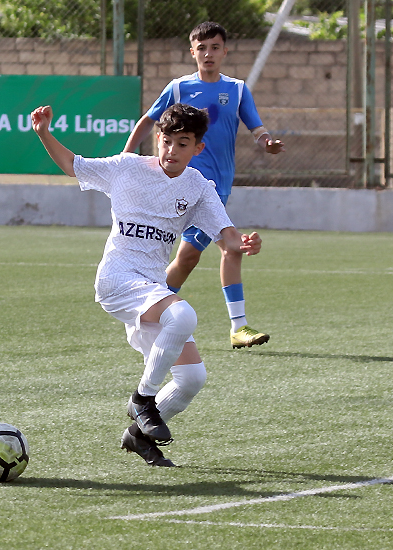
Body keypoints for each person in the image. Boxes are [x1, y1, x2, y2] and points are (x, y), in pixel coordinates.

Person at [32, 102, 262, 467]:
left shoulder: (198, 187)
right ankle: (142, 399)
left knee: (192, 379)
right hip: (118, 279)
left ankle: (137, 436)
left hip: (151, 289)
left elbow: (228, 237)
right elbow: (73, 165)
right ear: (158, 139)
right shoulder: (127, 167)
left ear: (198, 148)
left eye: (182, 144)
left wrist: (245, 244)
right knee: (183, 315)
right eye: (167, 141)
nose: (172, 150)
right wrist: (44, 133)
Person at [123, 21, 284, 349]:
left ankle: (150, 314)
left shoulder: (237, 90)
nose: (208, 53)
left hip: (219, 188)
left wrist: (267, 142)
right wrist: (126, 156)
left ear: (224, 52)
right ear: (192, 52)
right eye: (202, 48)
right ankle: (235, 326)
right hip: (187, 188)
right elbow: (149, 120)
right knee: (224, 249)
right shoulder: (178, 88)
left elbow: (256, 127)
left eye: (214, 47)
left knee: (191, 258)